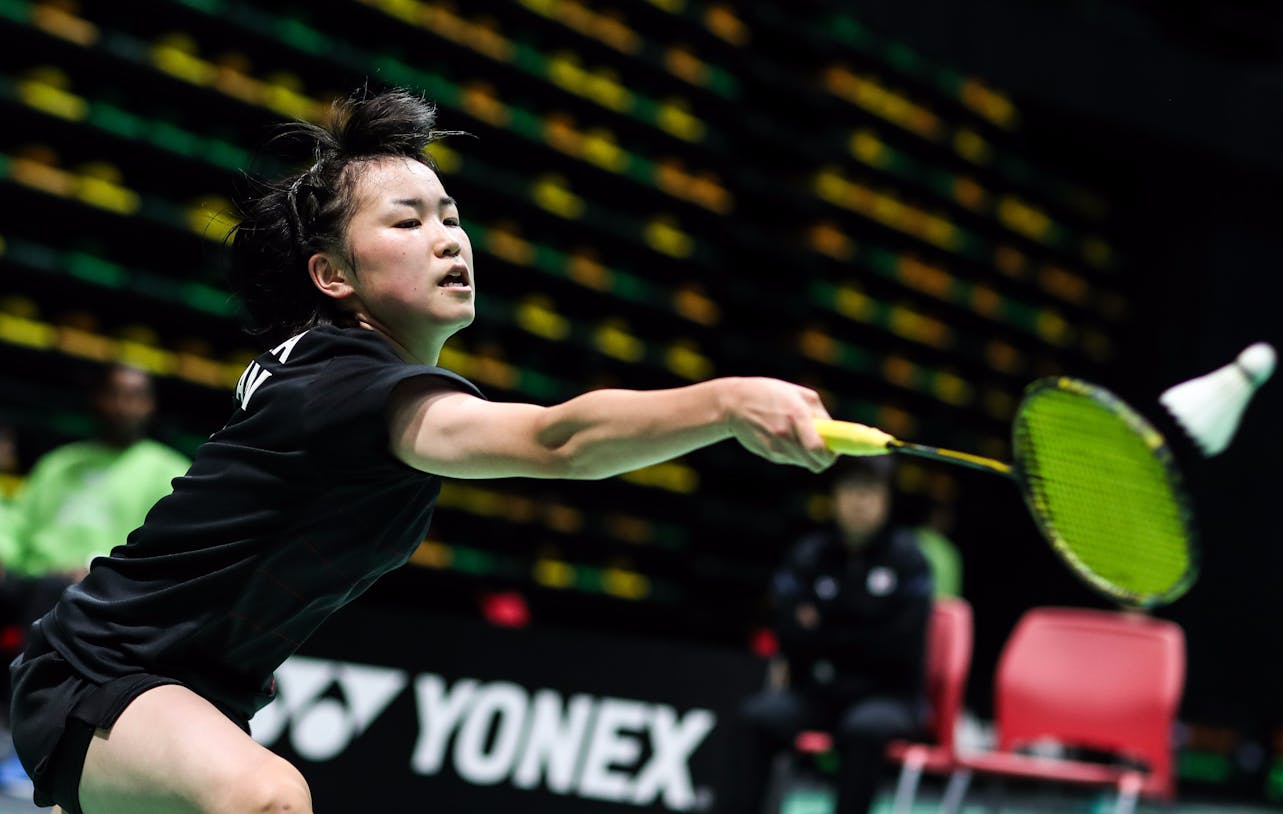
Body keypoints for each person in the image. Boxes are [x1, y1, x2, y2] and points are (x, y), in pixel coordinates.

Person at [7, 87, 838, 814]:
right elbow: (559, 441)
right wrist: (727, 403)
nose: (448, 238)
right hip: (101, 674)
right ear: (332, 275)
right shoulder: (344, 389)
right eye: (407, 222)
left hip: (187, 692)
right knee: (264, 798)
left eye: (450, 216)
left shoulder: (328, 373)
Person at [722, 456, 933, 814]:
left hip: (888, 697)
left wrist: (824, 630)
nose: (859, 501)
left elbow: (900, 646)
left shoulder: (910, 560)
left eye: (869, 491)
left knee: (862, 729)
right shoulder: (810, 555)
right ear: (834, 497)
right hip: (817, 694)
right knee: (755, 718)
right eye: (850, 490)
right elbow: (787, 634)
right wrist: (862, 627)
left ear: (886, 499)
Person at [0, 365, 189, 584]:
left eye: (134, 396)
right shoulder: (58, 463)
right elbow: (16, 524)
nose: (122, 406)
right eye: (113, 394)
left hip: (113, 592)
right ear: (97, 398)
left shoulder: (171, 471)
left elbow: (170, 550)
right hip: (37, 584)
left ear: (150, 404)